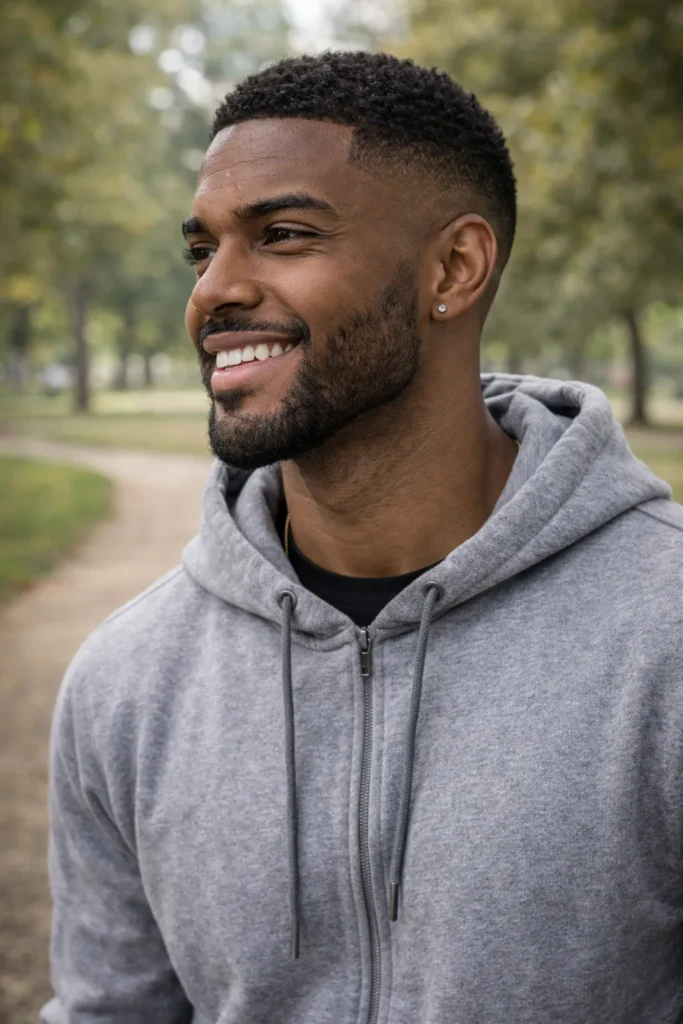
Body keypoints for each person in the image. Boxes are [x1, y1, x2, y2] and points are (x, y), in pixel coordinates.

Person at [43, 52, 683, 1024]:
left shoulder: (663, 631)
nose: (214, 290)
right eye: (201, 250)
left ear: (452, 268)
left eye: (282, 234)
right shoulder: (128, 679)